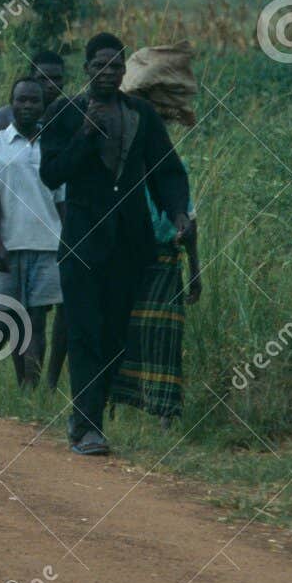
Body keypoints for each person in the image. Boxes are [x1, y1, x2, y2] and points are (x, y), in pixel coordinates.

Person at [40, 32, 190, 457]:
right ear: (87, 70)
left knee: (115, 339)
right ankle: (88, 426)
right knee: (84, 331)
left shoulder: (141, 114)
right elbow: (51, 173)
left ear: (125, 72)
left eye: (116, 66)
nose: (108, 73)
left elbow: (167, 171)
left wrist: (178, 213)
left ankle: (84, 413)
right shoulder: (64, 112)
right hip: (81, 243)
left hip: (129, 244)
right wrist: (84, 137)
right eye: (99, 65)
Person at [0, 77, 66, 398]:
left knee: (36, 321)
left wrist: (69, 243)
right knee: (0, 317)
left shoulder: (54, 145)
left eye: (33, 101)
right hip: (7, 247)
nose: (26, 106)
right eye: (20, 100)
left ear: (42, 105)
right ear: (11, 103)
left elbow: (62, 200)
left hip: (47, 246)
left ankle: (29, 390)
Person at [111, 88, 202, 429]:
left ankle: (165, 413)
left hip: (164, 261)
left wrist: (195, 271)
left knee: (164, 338)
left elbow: (188, 222)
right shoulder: (119, 165)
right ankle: (115, 406)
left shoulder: (174, 167)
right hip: (127, 260)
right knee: (123, 334)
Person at [0, 49, 65, 134]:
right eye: (43, 79)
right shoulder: (5, 117)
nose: (51, 85)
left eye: (56, 79)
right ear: (32, 78)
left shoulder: (68, 113)